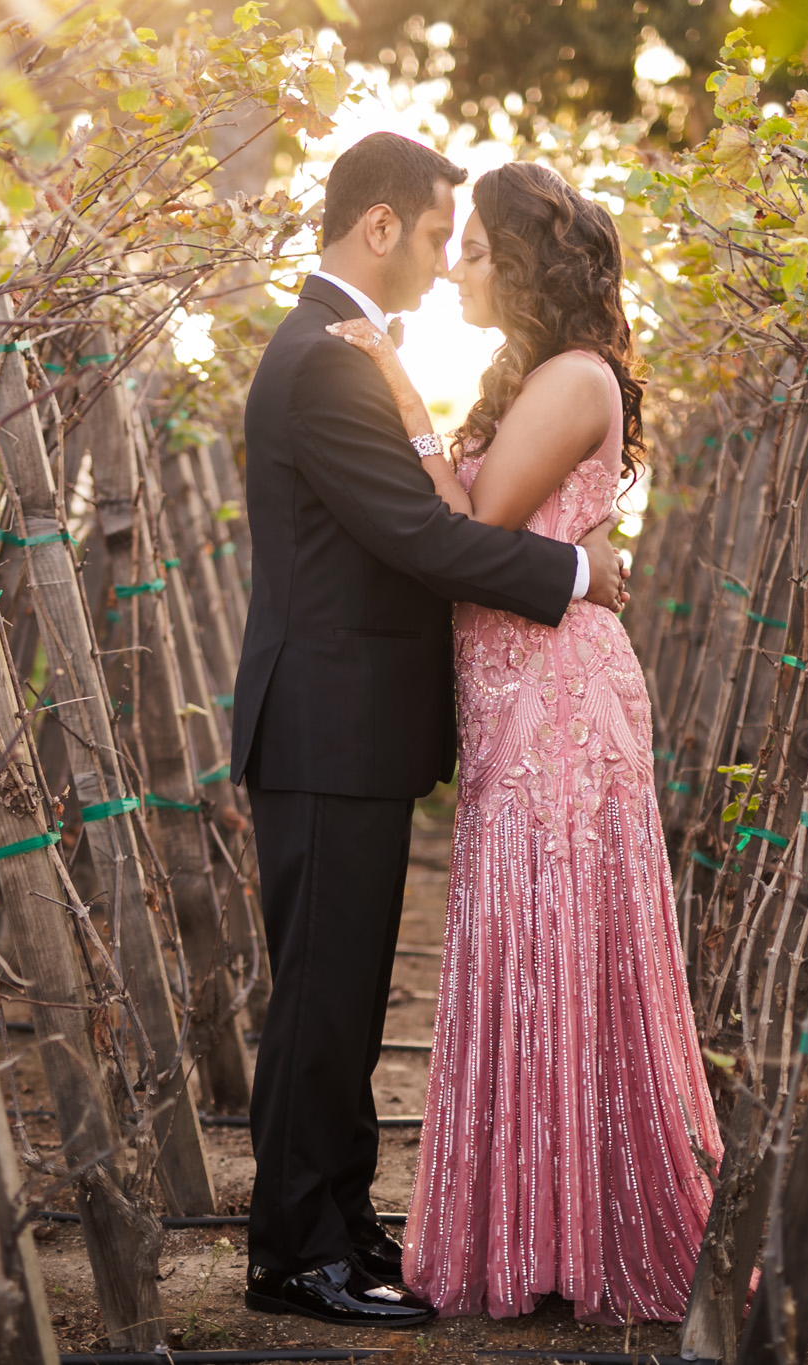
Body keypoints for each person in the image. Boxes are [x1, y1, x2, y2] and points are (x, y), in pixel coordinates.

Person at [229, 132, 629, 1329]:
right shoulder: (322, 362)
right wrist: (577, 573)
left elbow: (426, 523)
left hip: (348, 727)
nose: (449, 265)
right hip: (322, 725)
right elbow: (426, 539)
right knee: (316, 1001)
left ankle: (341, 1224)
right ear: (381, 227)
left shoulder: (345, 357)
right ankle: (296, 1255)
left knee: (344, 998)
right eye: (440, 235)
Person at [322, 159, 722, 1326]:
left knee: (555, 942)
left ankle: (579, 1230)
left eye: (480, 252)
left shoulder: (571, 377)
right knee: (522, 942)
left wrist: (398, 392)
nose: (457, 270)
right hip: (513, 697)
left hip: (556, 701)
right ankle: (536, 1227)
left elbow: (473, 523)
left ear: (530, 263)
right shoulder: (543, 374)